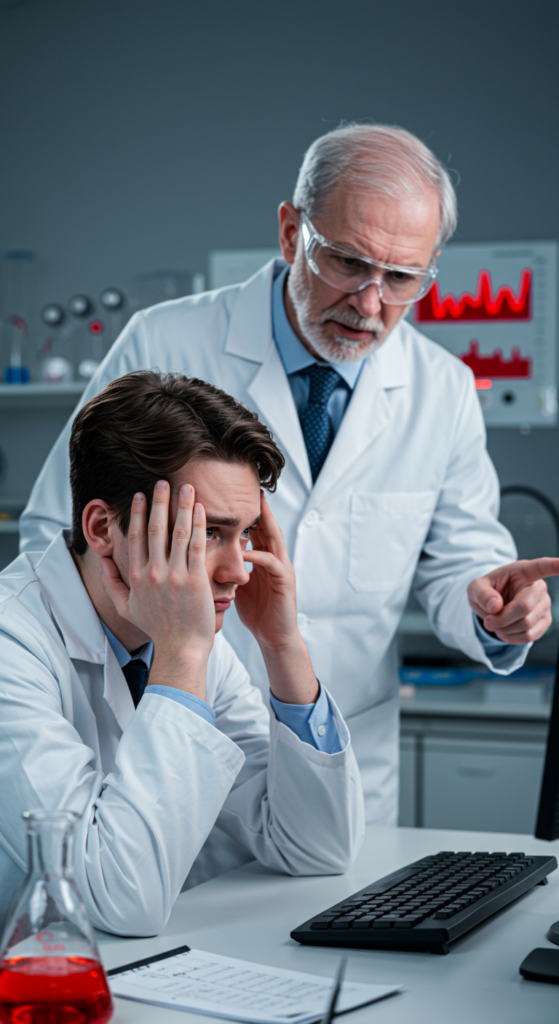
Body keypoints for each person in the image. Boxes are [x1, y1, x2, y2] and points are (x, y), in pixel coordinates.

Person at [19, 123, 559, 827]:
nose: (370, 304)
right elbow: (62, 531)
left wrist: (493, 612)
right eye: (346, 263)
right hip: (165, 748)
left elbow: (461, 561)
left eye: (400, 279)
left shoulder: (443, 387)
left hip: (336, 761)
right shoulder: (163, 342)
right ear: (289, 232)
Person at [0, 371, 364, 936]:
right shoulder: (12, 642)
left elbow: (318, 847)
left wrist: (282, 645)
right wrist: (183, 654)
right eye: (207, 533)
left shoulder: (180, 636)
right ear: (102, 527)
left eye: (244, 534)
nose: (239, 570)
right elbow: (116, 901)